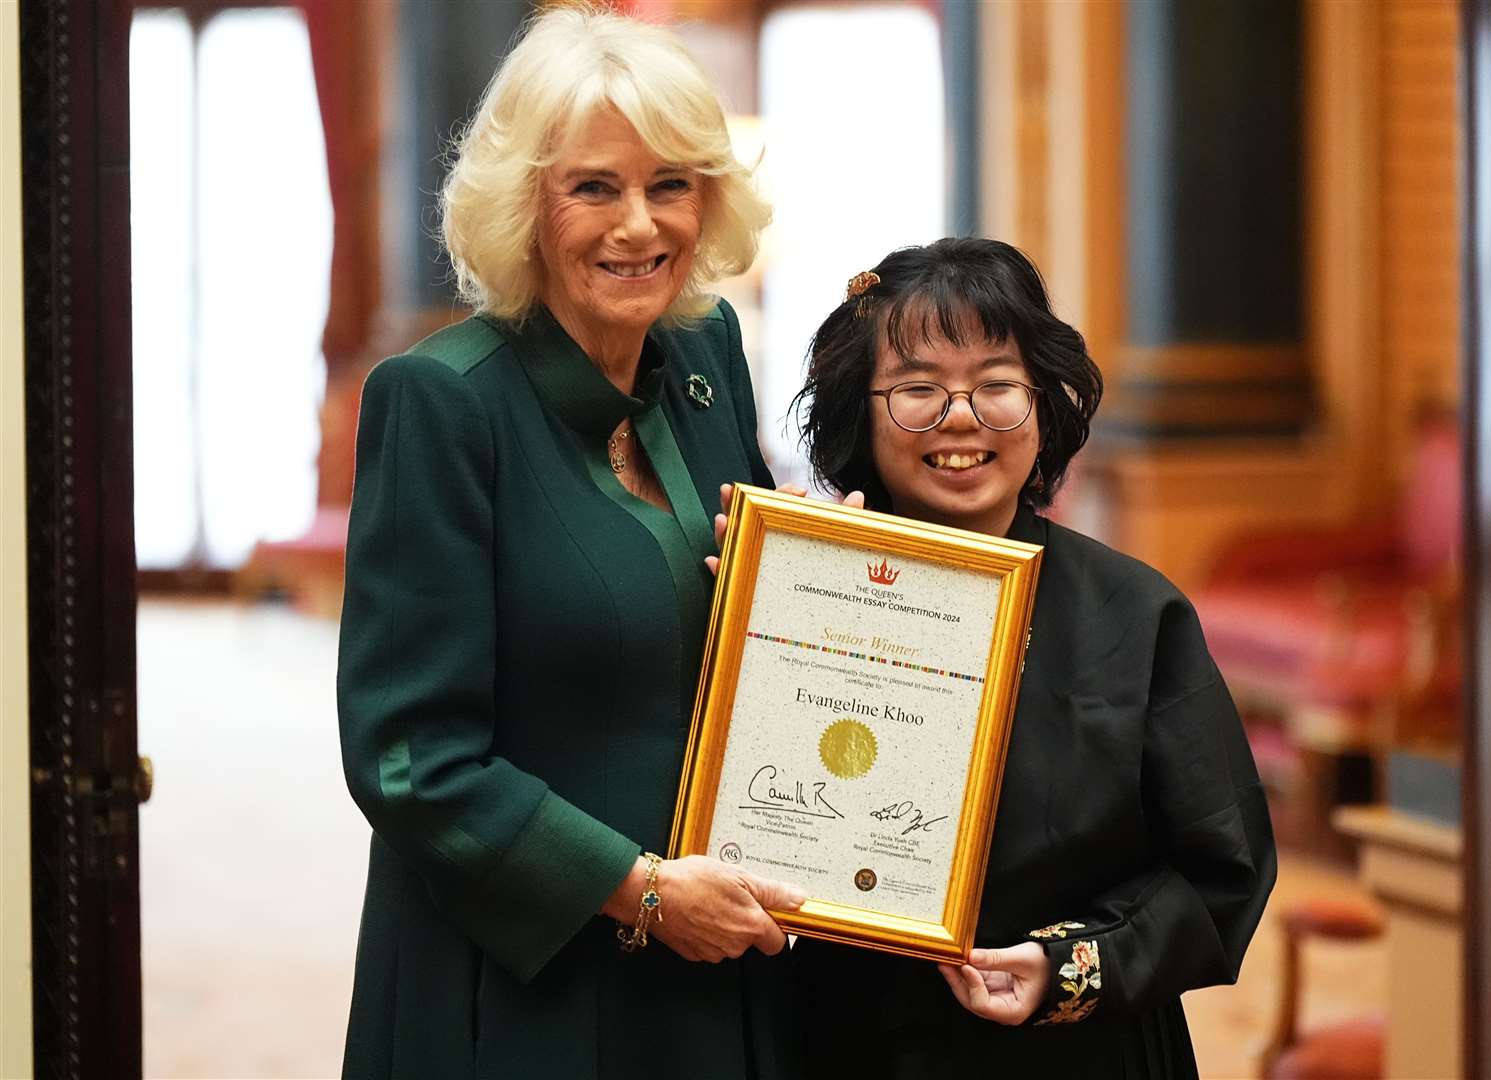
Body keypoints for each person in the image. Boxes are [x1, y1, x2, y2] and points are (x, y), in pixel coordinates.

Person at [336, 8, 805, 1078]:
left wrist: (816, 577)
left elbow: (752, 613)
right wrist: (637, 890)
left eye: (671, 184)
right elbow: (410, 760)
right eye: (593, 186)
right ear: (525, 204)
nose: (638, 226)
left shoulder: (704, 350)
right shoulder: (440, 405)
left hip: (714, 955)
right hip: (524, 979)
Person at [789, 238, 1277, 1078]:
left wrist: (1067, 965)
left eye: (996, 384)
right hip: (848, 1039)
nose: (961, 416)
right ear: (858, 413)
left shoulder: (1134, 611)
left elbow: (1219, 870)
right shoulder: (802, 599)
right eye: (916, 389)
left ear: (1042, 405)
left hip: (1079, 1051)